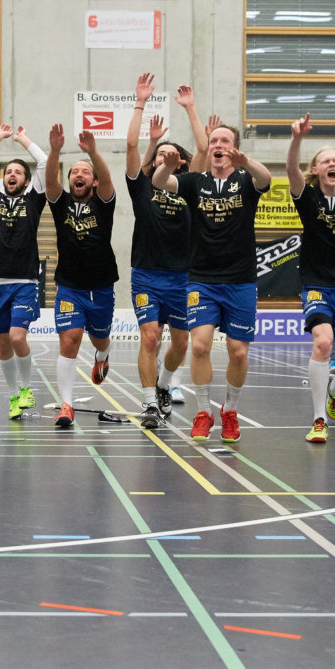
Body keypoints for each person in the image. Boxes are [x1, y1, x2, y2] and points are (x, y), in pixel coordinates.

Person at [152, 118, 272, 444]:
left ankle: (230, 410)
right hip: (202, 279)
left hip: (241, 280)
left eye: (225, 141)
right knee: (201, 345)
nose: (218, 146)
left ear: (233, 148)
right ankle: (203, 411)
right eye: (214, 141)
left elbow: (267, 178)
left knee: (238, 353)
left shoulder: (246, 181)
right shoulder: (194, 182)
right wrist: (166, 165)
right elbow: (160, 182)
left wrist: (247, 162)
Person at [124, 74, 208, 429]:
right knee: (150, 336)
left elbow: (203, 150)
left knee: (181, 343)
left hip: (184, 276)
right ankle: (147, 404)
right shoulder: (142, 191)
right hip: (147, 273)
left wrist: (189, 108)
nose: (163, 160)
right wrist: (142, 108)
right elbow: (131, 149)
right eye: (157, 157)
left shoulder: (190, 187)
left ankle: (162, 384)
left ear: (180, 165)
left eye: (169, 157)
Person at [287, 113, 335, 444]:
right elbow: (290, 171)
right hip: (316, 284)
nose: (332, 164)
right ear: (316, 170)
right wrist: (297, 138)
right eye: (325, 160)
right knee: (323, 342)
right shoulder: (309, 199)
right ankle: (318, 420)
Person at [46, 124, 118, 427]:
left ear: (94, 180)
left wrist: (92, 152)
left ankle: (103, 354)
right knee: (70, 341)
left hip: (101, 287)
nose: (78, 175)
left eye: (85, 172)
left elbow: (109, 181)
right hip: (69, 287)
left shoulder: (103, 203)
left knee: (99, 339)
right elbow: (50, 181)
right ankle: (67, 404)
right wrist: (55, 151)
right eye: (74, 171)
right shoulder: (60, 203)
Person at [0, 123, 48, 421]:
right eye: (8, 172)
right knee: (4, 342)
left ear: (26, 180)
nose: (12, 175)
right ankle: (13, 396)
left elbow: (45, 162)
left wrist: (22, 139)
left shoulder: (33, 200)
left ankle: (27, 388)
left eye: (18, 172)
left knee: (18, 338)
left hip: (24, 281)